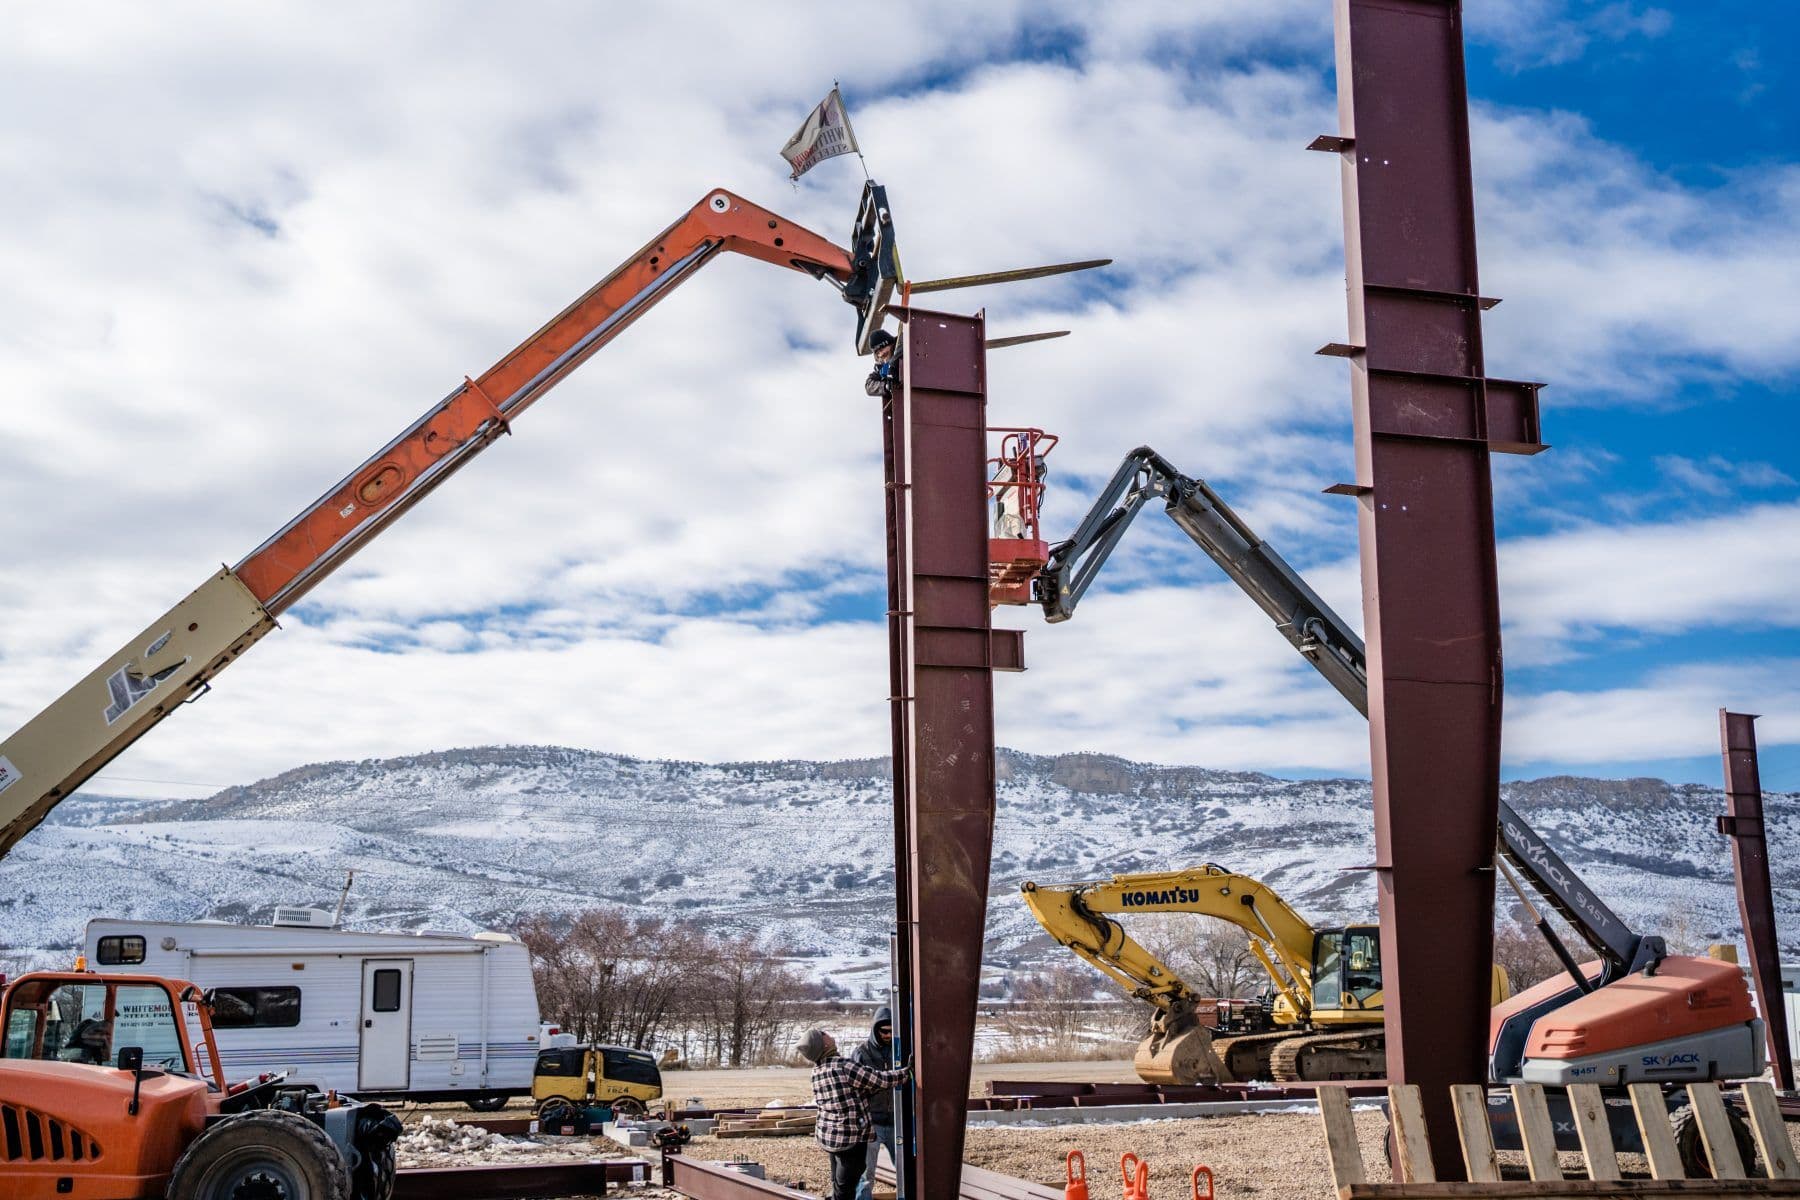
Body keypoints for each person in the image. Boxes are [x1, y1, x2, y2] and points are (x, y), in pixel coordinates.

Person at [796, 1027, 910, 1200]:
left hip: (830, 1138)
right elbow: (879, 1079)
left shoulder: (817, 1071)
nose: (828, 1034)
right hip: (849, 1140)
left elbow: (846, 1095)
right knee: (846, 1189)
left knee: (839, 1184)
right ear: (824, 1043)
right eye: (824, 1034)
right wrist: (906, 1072)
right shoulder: (843, 1066)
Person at [850, 1008, 898, 1200]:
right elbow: (854, 1087)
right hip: (872, 1124)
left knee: (908, 1171)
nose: (887, 1035)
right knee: (866, 1174)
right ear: (875, 1030)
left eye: (891, 1031)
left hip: (897, 1122)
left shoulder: (902, 1052)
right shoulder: (862, 1052)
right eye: (883, 1031)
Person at [864, 329, 899, 397]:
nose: (881, 354)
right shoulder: (884, 368)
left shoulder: (902, 346)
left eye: (881, 349)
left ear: (890, 344)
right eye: (877, 353)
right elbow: (869, 386)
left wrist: (893, 366)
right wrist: (886, 386)